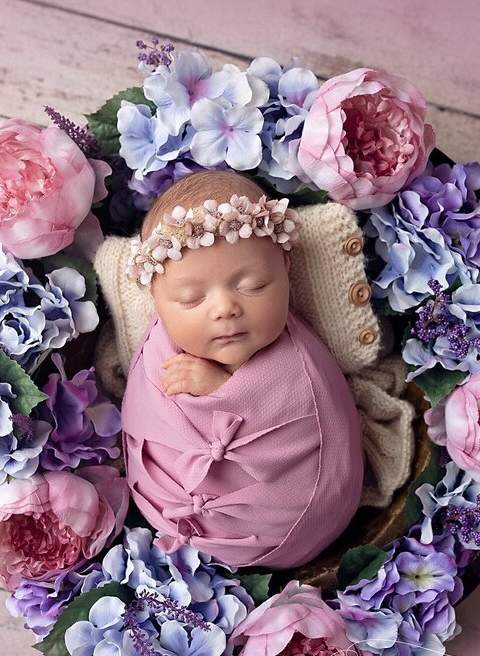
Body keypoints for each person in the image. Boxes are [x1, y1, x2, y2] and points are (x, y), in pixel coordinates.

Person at [122, 169, 364, 569]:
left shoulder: (298, 367)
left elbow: (313, 414)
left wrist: (224, 387)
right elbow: (143, 405)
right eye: (189, 298)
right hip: (169, 516)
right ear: (157, 298)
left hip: (289, 527)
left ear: (285, 268)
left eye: (252, 285)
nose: (224, 309)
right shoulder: (157, 345)